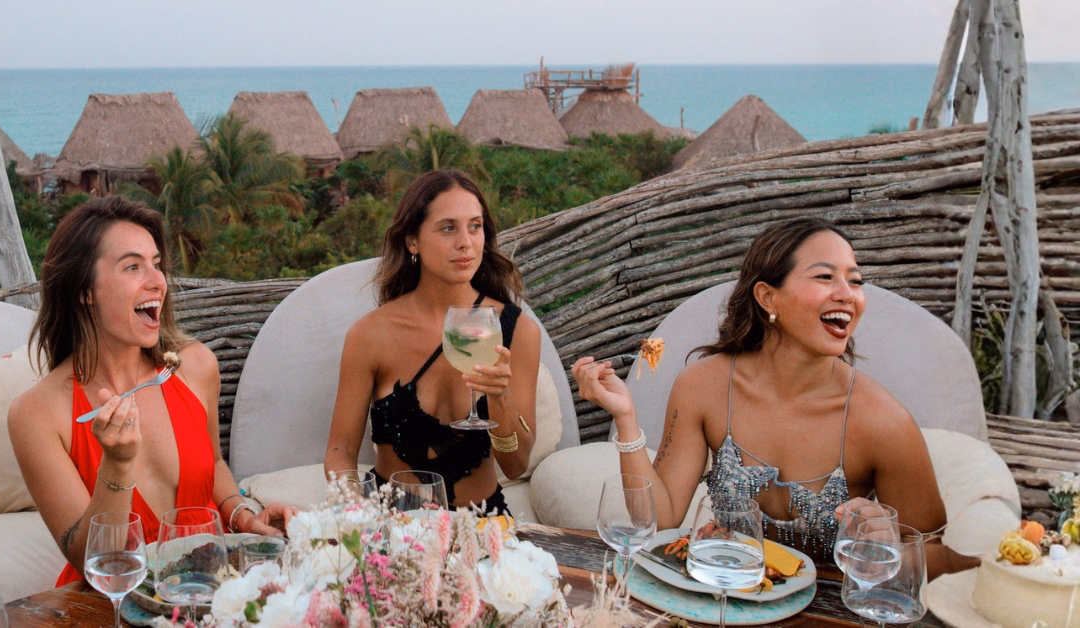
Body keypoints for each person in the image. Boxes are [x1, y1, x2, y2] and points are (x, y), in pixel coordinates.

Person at [572, 218, 976, 578]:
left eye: (855, 280)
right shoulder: (704, 386)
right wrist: (626, 418)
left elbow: (944, 557)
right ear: (768, 297)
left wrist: (887, 549)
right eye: (825, 277)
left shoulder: (882, 422)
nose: (848, 295)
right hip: (728, 593)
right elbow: (662, 518)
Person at [9, 196, 296, 585]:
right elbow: (90, 560)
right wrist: (117, 464)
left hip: (210, 587)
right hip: (117, 603)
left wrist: (243, 516)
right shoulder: (37, 414)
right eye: (132, 266)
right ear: (84, 290)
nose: (157, 281)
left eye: (156, 265)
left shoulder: (195, 367)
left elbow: (212, 465)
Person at [324, 169, 541, 513]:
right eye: (448, 228)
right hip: (393, 526)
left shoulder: (516, 331)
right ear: (412, 241)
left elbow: (516, 466)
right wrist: (355, 511)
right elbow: (340, 451)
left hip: (481, 527)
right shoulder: (370, 335)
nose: (465, 243)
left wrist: (500, 396)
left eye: (475, 226)